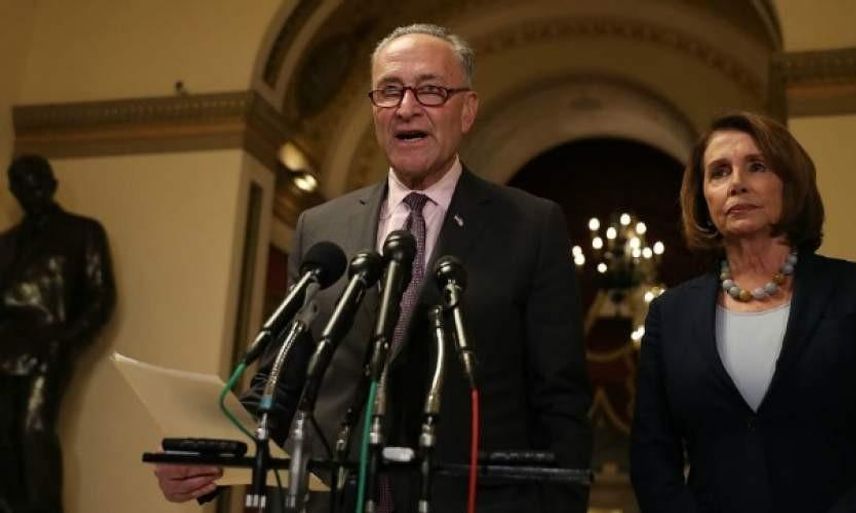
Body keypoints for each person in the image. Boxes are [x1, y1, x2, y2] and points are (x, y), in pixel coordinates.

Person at [155, 24, 592, 512]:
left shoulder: (531, 226)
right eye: (389, 91)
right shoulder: (321, 225)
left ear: (467, 110)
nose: (407, 107)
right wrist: (212, 458)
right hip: (331, 498)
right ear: (374, 111)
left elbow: (561, 401)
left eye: (430, 90)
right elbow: (282, 380)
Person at [629, 111, 856, 513]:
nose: (737, 183)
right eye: (719, 172)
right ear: (704, 200)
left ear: (790, 185)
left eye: (756, 167)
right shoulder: (669, 316)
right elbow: (652, 463)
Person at [0, 154, 116, 513]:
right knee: (4, 441)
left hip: (48, 349)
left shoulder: (82, 232)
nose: (30, 192)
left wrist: (63, 344)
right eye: (21, 185)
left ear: (51, 185)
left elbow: (101, 298)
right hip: (5, 351)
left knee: (33, 434)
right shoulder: (6, 243)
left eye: (36, 183)